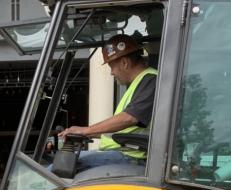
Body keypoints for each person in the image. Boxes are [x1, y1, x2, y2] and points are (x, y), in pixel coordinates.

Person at [59, 34, 158, 172]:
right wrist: (85, 133)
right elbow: (125, 131)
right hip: (124, 153)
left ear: (125, 63)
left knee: (60, 169)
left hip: (130, 157)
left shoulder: (150, 81)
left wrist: (86, 130)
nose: (111, 73)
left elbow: (129, 118)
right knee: (64, 164)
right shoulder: (140, 83)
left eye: (112, 66)